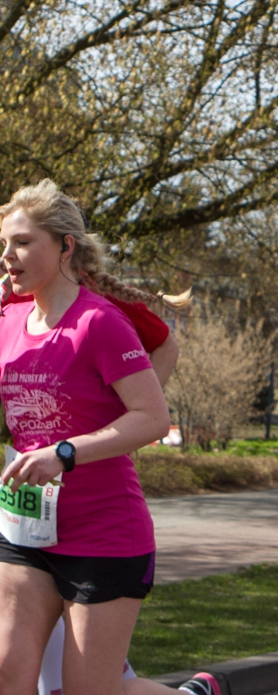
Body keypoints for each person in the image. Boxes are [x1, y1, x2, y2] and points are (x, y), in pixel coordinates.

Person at [0, 180, 173, 695]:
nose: (9, 255)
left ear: (65, 246)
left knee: (87, 690)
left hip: (104, 536)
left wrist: (66, 452)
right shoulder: (8, 319)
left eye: (23, 242)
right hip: (26, 527)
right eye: (5, 244)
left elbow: (152, 418)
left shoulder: (99, 323)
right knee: (8, 671)